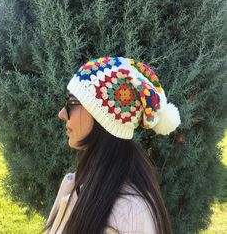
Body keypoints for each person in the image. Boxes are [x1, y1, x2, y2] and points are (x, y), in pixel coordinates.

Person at [42, 57, 181, 234]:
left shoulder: (129, 215)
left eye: (72, 103)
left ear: (103, 118)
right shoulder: (79, 181)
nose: (62, 113)